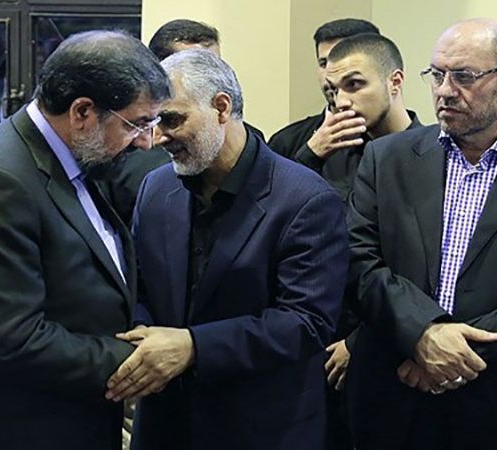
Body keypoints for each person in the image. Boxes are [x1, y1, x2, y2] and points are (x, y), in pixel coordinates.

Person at [0, 30, 170, 450]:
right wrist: (141, 360)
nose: (147, 141)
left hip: (71, 415)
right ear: (82, 111)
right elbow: (12, 340)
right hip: (13, 428)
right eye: (137, 124)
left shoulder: (77, 157)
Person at [106, 49, 348, 450]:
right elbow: (137, 286)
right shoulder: (157, 187)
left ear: (221, 107)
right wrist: (145, 338)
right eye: (151, 122)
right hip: (166, 423)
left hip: (261, 427)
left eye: (172, 120)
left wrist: (192, 347)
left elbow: (306, 323)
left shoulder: (305, 199)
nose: (157, 138)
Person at [346, 19, 497, 450]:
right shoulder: (386, 158)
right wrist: (423, 333)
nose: (445, 91)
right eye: (436, 74)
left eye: (464, 76)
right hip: (394, 400)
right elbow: (357, 260)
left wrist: (456, 353)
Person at [316, 32, 422, 450]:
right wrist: (310, 155)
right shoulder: (326, 154)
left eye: (354, 85)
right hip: (318, 351)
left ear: (395, 82)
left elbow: (424, 267)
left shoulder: (433, 157)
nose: (342, 101)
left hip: (393, 350)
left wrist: (360, 341)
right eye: (333, 90)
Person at [92, 19, 263, 226]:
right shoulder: (124, 152)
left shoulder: (250, 145)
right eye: (194, 65)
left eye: (214, 65)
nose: (211, 76)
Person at [267, 18, 379, 161]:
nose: (330, 74)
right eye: (323, 63)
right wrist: (309, 155)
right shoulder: (287, 142)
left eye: (340, 62)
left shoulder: (400, 141)